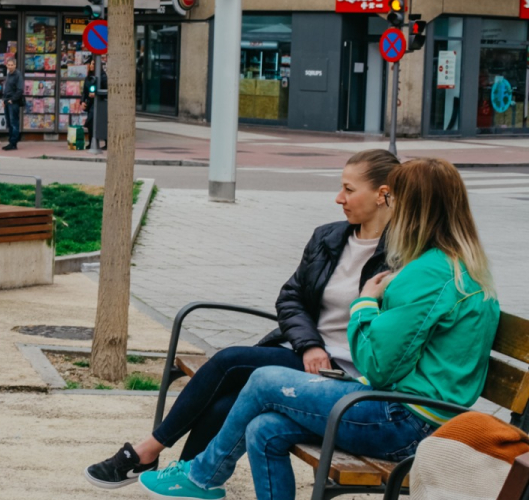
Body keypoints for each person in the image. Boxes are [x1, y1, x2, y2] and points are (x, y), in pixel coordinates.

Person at [137, 157, 501, 500]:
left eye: (393, 196)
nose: (390, 204)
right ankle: (200, 474)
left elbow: (379, 366)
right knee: (264, 429)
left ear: (413, 207)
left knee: (264, 380)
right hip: (416, 413)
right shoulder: (462, 265)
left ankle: (202, 476)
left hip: (404, 421)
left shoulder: (427, 274)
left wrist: (364, 302)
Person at [86, 149, 400, 489]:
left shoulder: (403, 256)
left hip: (353, 375)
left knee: (231, 364)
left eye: (349, 190)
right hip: (308, 358)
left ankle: (151, 453)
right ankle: (187, 479)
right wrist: (309, 345)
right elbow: (291, 297)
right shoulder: (329, 237)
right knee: (227, 391)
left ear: (382, 194)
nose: (339, 198)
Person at [81, 57, 107, 150]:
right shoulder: (88, 77)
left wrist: (96, 93)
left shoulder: (103, 76)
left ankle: (106, 141)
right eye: (91, 64)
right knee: (91, 123)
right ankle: (92, 142)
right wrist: (82, 101)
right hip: (90, 104)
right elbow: (84, 91)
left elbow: (106, 90)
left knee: (96, 122)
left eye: (93, 64)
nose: (91, 66)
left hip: (100, 104)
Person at [2, 56, 24, 151]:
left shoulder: (17, 75)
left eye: (12, 65)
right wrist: (4, 100)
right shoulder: (9, 74)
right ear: (6, 65)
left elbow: (20, 89)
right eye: (9, 65)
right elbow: (6, 89)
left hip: (13, 102)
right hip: (7, 101)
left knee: (14, 122)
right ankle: (11, 141)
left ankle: (13, 142)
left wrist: (13, 100)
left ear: (15, 65)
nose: (10, 66)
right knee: (9, 122)